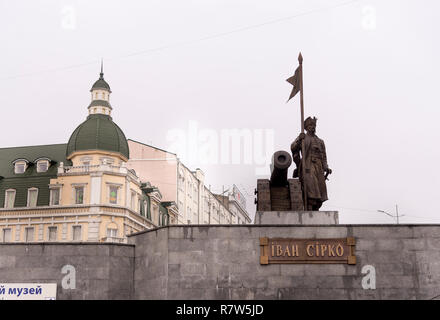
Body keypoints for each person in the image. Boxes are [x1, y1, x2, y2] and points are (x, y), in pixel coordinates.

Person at [291, 116, 332, 210]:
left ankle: (316, 207)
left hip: (319, 166)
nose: (312, 127)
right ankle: (309, 205)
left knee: (319, 187)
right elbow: (293, 148)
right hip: (308, 165)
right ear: (306, 127)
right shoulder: (303, 137)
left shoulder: (320, 141)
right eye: (310, 125)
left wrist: (326, 167)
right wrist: (298, 140)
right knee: (311, 185)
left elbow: (324, 156)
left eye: (314, 125)